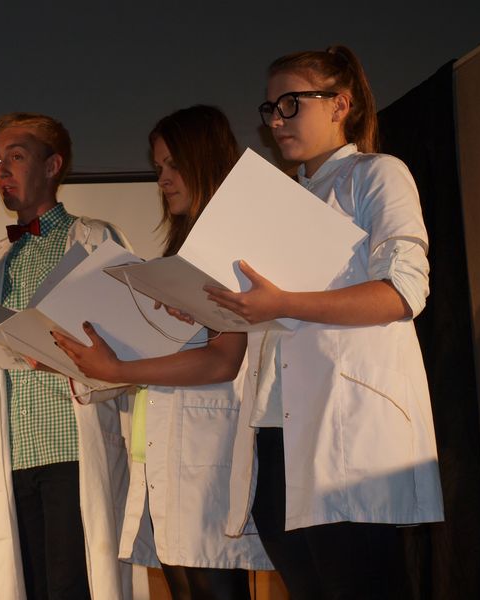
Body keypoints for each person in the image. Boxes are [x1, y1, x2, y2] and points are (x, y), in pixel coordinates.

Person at [204, 46, 445, 599]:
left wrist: (284, 302)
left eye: (291, 103)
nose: (277, 120)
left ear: (340, 104)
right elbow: (263, 306)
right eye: (271, 108)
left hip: (346, 425)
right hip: (275, 427)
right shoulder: (278, 199)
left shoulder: (376, 174)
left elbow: (403, 291)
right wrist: (207, 302)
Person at [52, 105, 271, 600]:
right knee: (186, 586)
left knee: (214, 586)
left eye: (174, 165)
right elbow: (163, 353)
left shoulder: (234, 248)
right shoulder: (180, 254)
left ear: (205, 160)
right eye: (158, 168)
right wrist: (75, 356)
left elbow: (223, 359)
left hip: (209, 449)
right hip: (161, 451)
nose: (164, 179)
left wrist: (118, 367)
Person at [0, 112, 135, 599]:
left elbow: (125, 338)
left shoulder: (93, 238)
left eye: (16, 157)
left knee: (73, 586)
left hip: (71, 449)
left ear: (52, 166)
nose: (1, 170)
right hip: (11, 454)